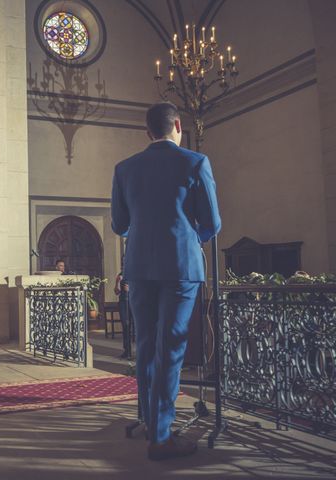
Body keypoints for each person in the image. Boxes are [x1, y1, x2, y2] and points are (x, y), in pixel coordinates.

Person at [111, 102, 221, 461]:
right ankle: (160, 436)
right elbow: (212, 222)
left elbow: (119, 225)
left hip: (138, 267)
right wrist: (189, 238)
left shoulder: (124, 168)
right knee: (170, 349)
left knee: (145, 346)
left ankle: (149, 420)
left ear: (147, 133)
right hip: (180, 266)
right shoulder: (195, 162)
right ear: (178, 125)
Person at [113, 268, 130, 358]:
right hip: (123, 302)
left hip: (133, 302)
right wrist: (117, 283)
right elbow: (116, 292)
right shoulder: (120, 275)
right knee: (125, 325)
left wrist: (130, 289)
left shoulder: (135, 273)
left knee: (135, 326)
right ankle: (127, 350)